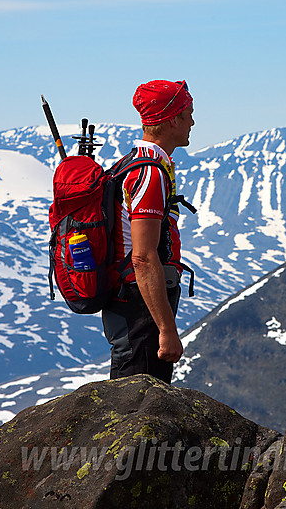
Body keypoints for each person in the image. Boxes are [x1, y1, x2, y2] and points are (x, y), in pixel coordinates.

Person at [101, 80, 195, 383]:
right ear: (172, 119)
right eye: (188, 113)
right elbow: (142, 256)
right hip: (138, 305)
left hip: (133, 300)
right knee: (136, 401)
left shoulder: (131, 164)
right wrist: (167, 330)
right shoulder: (150, 173)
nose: (193, 121)